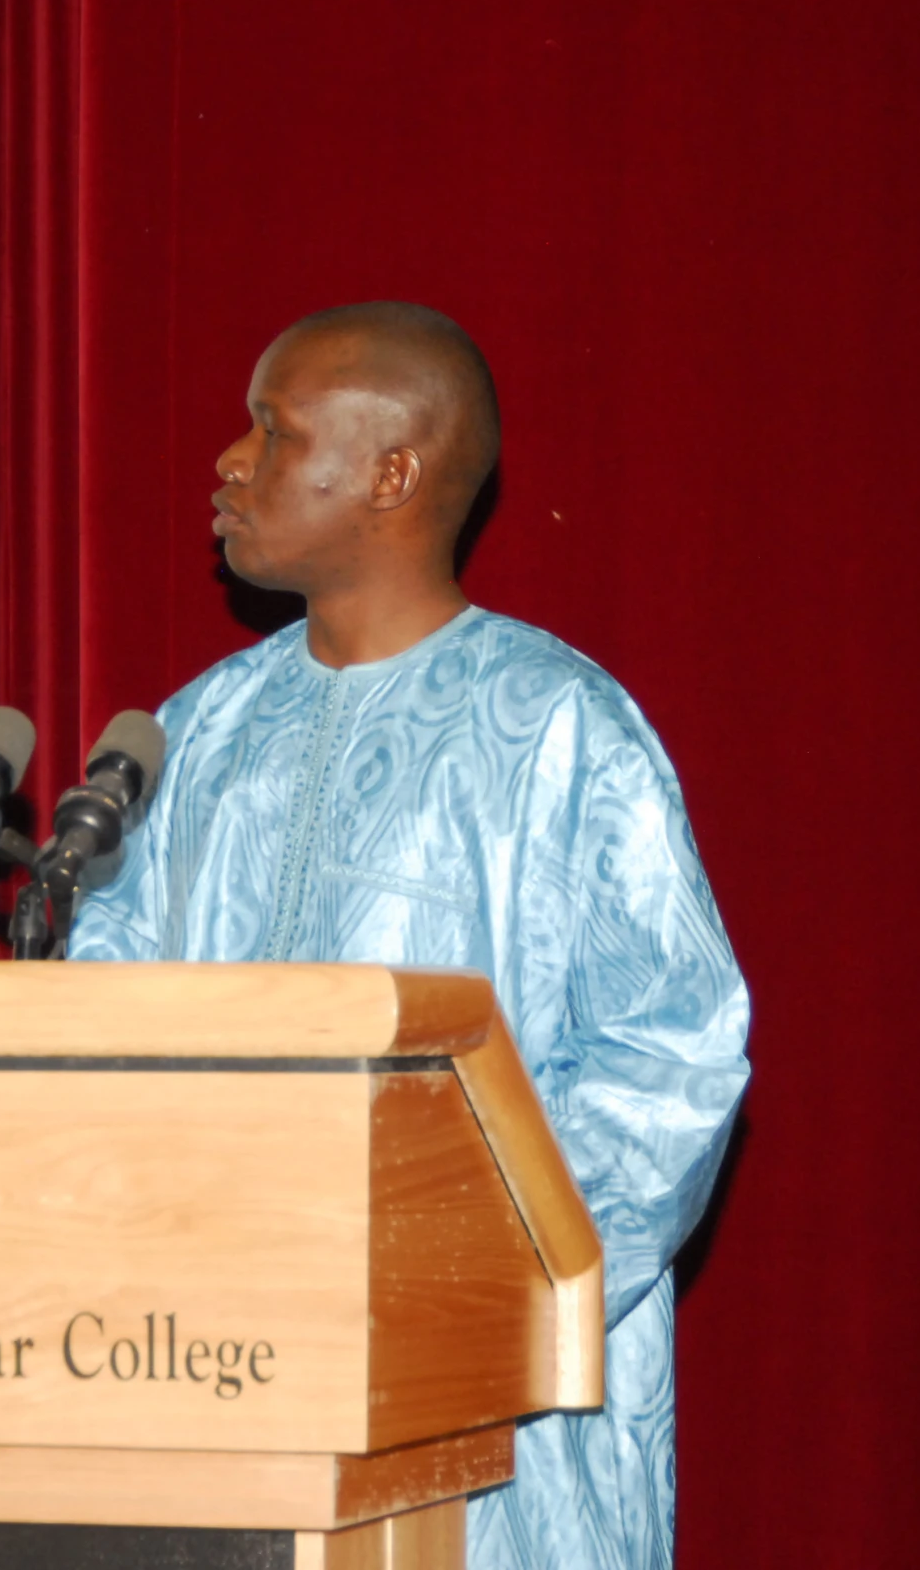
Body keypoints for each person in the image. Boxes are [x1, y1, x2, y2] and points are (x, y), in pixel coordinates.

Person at [67, 301, 750, 1569]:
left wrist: (449, 1279)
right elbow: (103, 1002)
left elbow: (672, 1057)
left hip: (476, 1411)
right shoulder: (195, 732)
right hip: (205, 1374)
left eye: (273, 430)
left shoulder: (559, 730)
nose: (229, 459)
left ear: (393, 471)